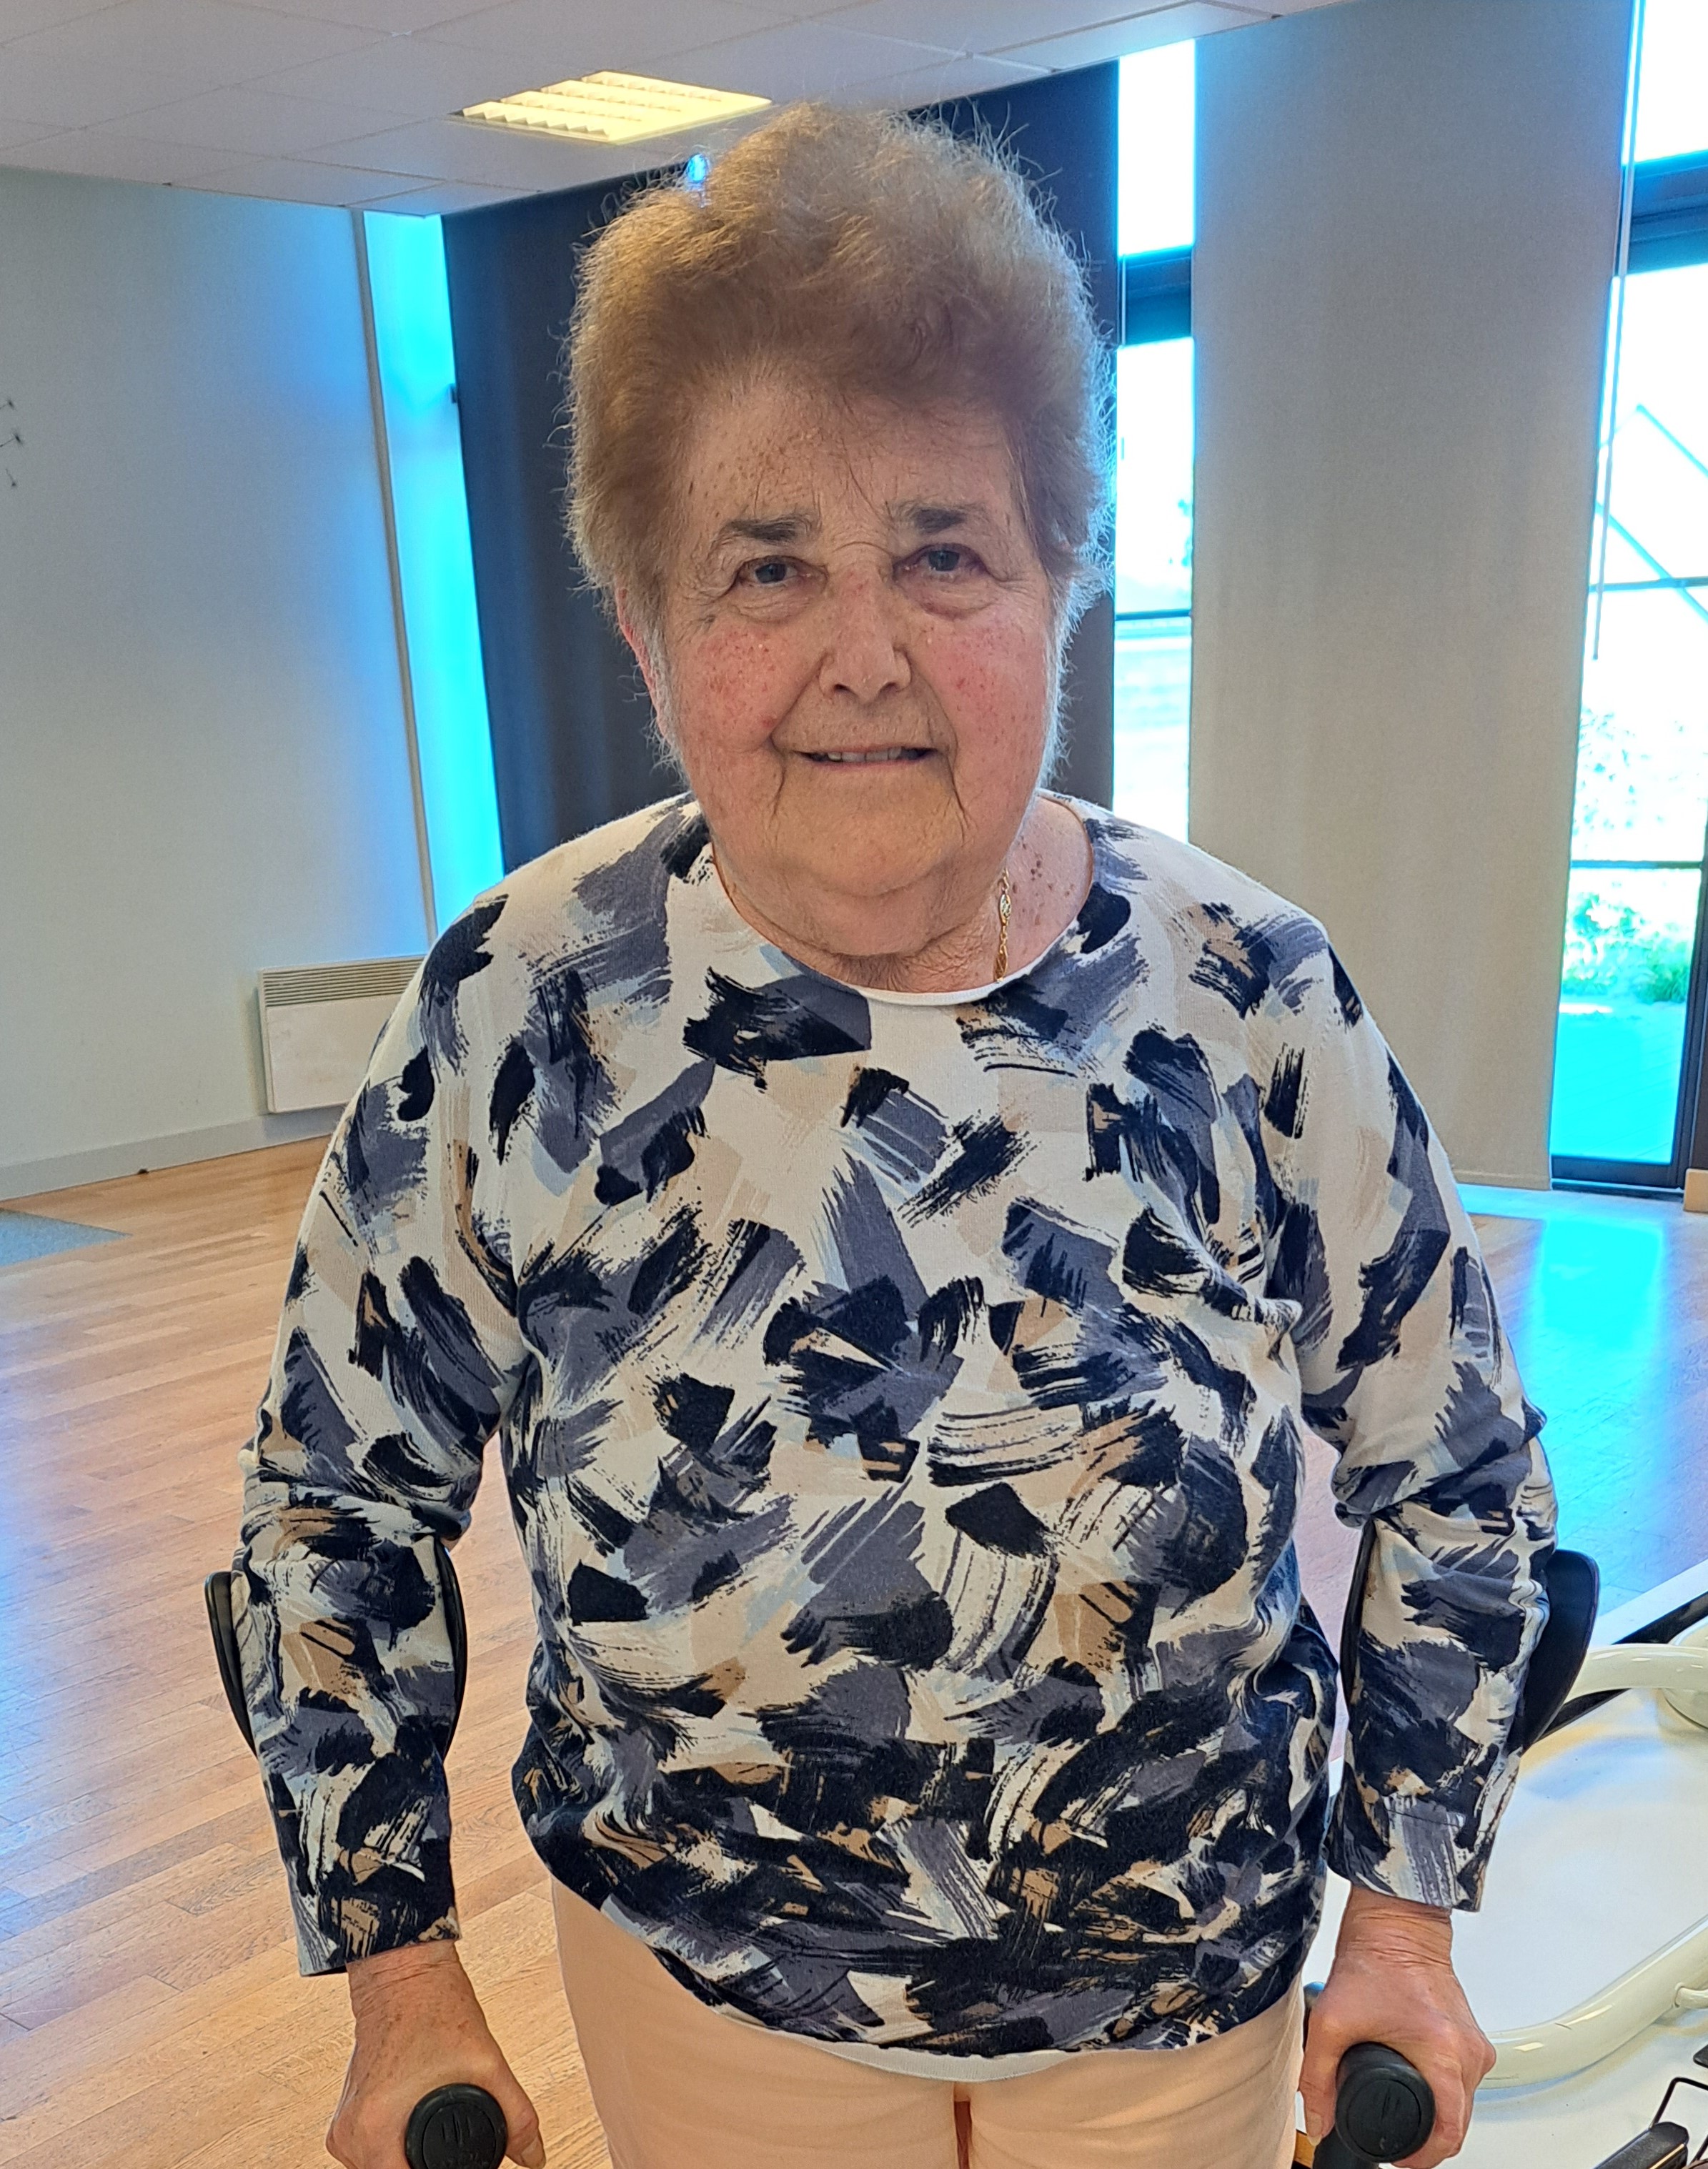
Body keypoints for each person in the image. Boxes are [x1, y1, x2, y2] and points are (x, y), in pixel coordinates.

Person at [232, 101, 1554, 2169]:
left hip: (1178, 2002)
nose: (863, 656)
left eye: (945, 554)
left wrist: (1403, 1916)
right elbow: (335, 1501)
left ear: (1061, 588)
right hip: (708, 1999)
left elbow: (1456, 1474)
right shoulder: (529, 1001)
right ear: (649, 627)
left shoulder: (1245, 992)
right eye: (767, 567)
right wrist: (402, 1977)